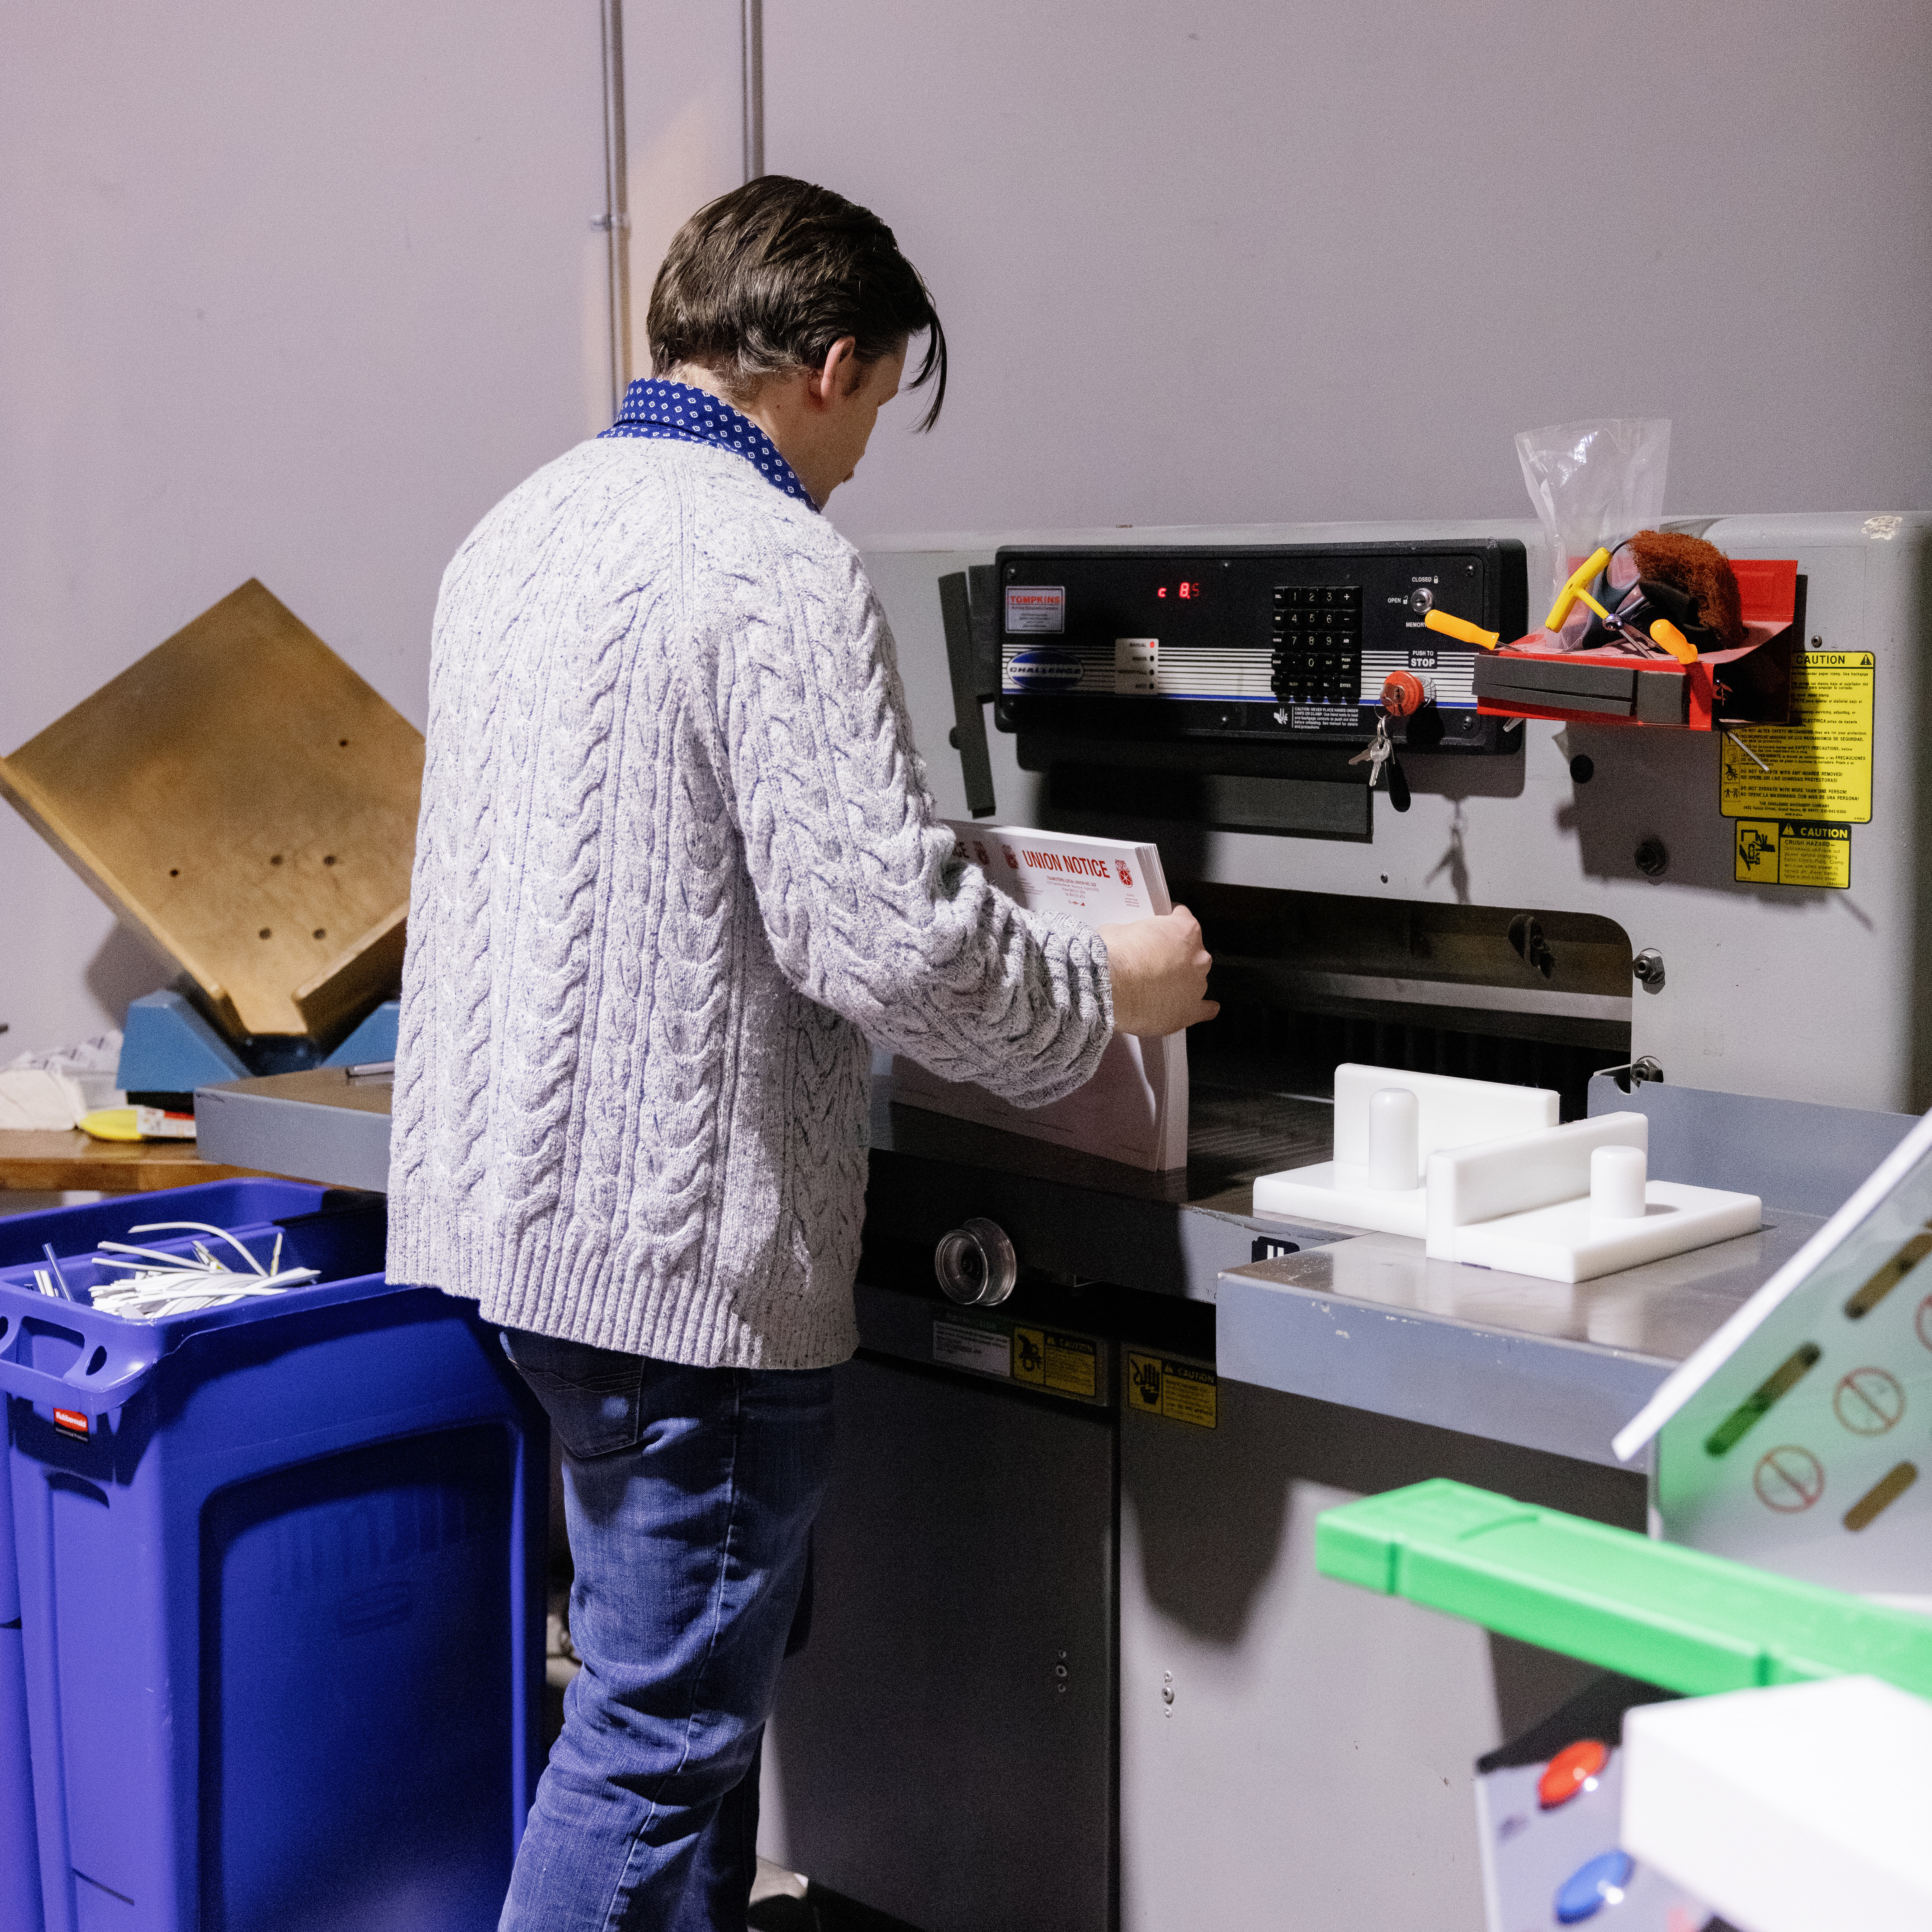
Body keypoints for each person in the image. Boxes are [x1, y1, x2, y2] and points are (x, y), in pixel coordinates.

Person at [386, 175, 1215, 1932]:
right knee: (655, 1741)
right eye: (876, 407)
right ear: (832, 363)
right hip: (679, 1269)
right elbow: (881, 945)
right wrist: (1108, 988)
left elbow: (677, 853)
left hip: (515, 1234)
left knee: (648, 1715)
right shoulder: (772, 559)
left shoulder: (516, 529)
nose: (858, 464)